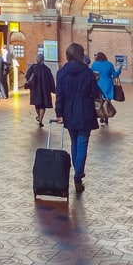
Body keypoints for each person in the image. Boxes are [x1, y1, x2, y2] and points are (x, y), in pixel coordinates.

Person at [54, 42, 100, 194]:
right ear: (81, 55)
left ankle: (77, 171)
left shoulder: (61, 73)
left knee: (74, 142)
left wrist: (59, 113)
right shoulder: (88, 73)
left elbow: (59, 95)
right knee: (82, 143)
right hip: (85, 110)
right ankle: (78, 175)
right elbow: (95, 93)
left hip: (68, 110)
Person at [90, 51, 122, 126]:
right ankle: (106, 116)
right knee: (107, 101)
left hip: (98, 85)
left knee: (99, 101)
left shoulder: (94, 64)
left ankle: (101, 115)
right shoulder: (109, 64)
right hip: (107, 85)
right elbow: (114, 75)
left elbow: (91, 74)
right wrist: (119, 69)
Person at [24, 52, 55, 127]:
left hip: (35, 89)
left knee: (37, 104)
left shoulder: (33, 67)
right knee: (43, 105)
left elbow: (27, 76)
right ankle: (40, 119)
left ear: (37, 59)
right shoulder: (47, 69)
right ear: (43, 60)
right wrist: (53, 89)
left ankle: (39, 117)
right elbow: (51, 80)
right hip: (45, 90)